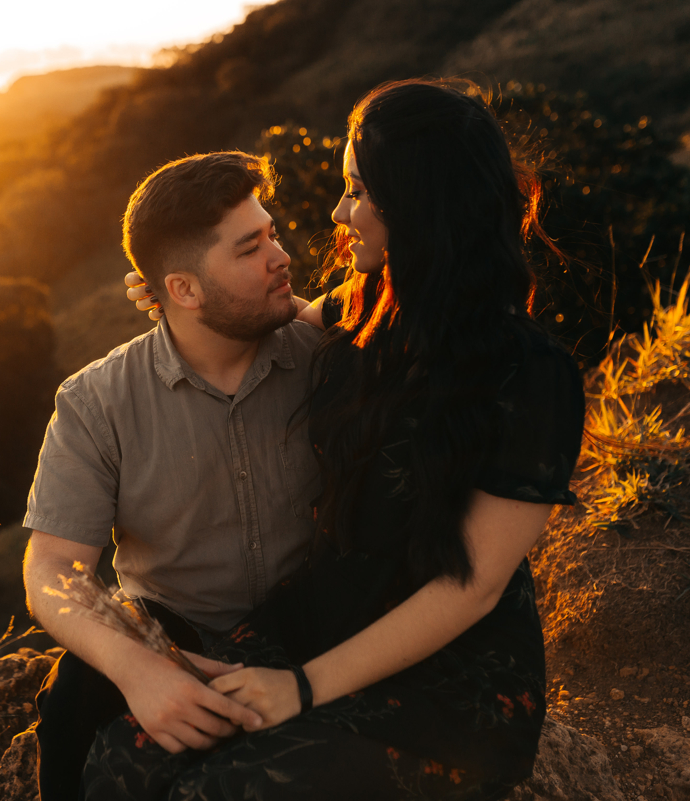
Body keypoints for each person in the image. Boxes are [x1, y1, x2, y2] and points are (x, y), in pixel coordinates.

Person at [91, 78, 585, 800]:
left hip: (445, 682)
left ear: (419, 203)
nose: (338, 211)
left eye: (358, 191)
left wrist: (301, 686)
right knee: (123, 759)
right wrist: (182, 292)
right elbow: (271, 313)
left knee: (221, 789)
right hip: (326, 619)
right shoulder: (364, 311)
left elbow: (471, 588)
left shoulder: (532, 374)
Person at [22, 150, 326, 801]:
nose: (282, 255)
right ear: (182, 290)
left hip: (316, 622)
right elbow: (50, 567)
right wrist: (140, 668)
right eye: (251, 248)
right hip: (174, 631)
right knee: (73, 699)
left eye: (272, 234)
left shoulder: (325, 357)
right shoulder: (96, 400)